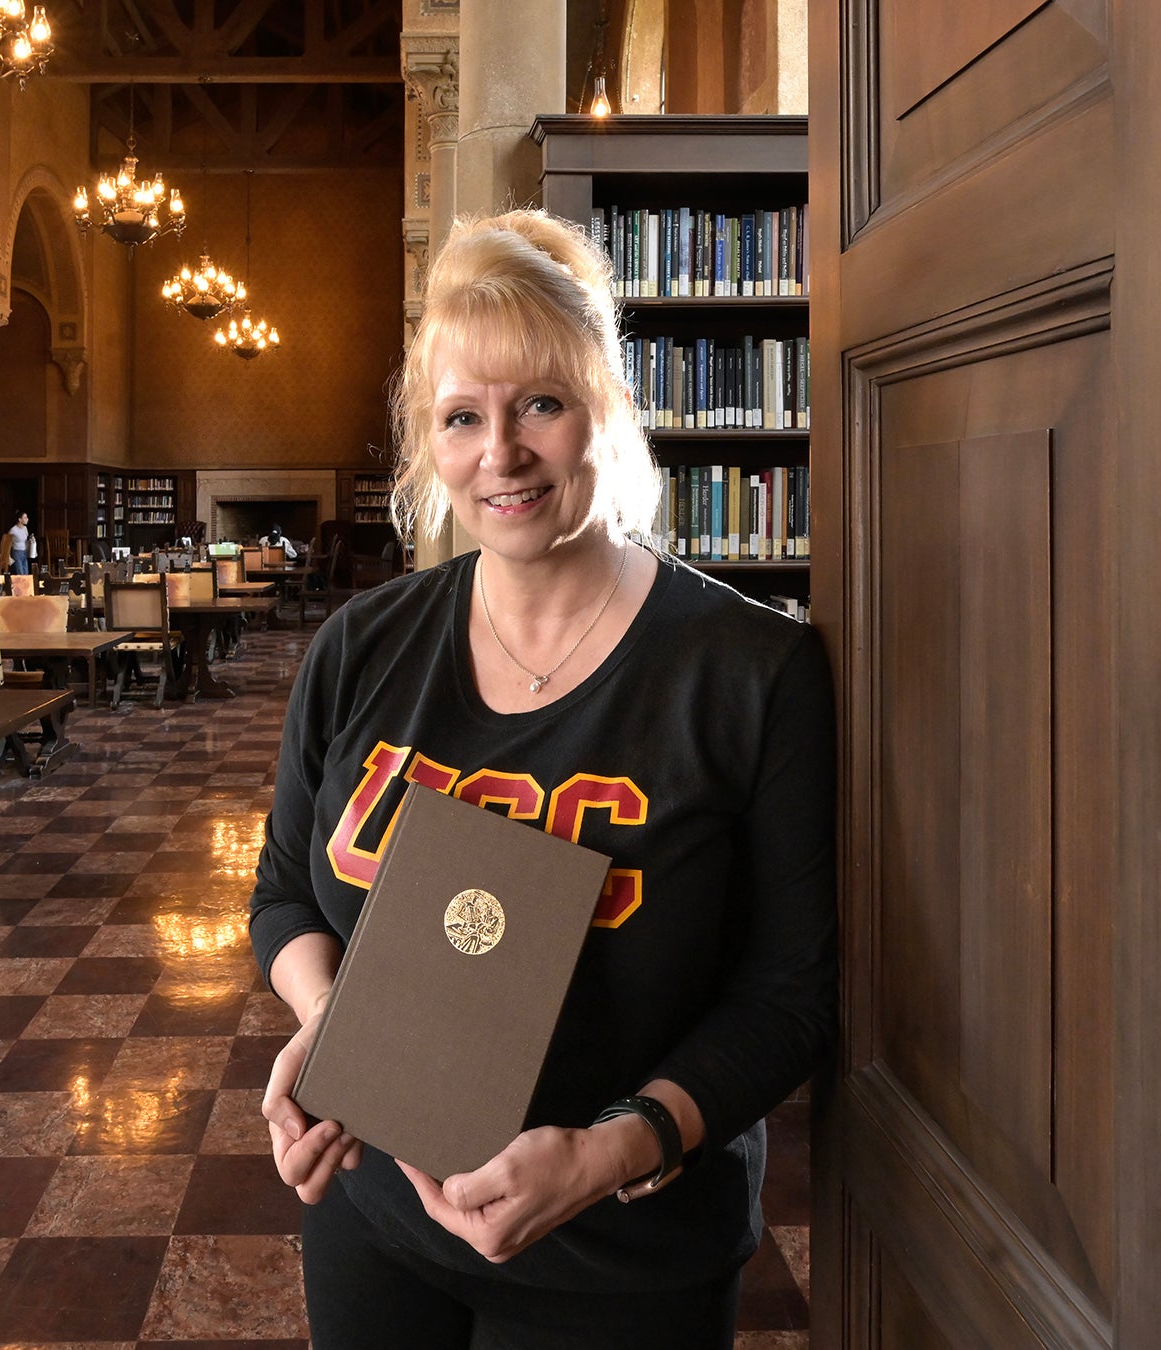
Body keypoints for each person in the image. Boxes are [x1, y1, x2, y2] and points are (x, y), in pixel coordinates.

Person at [249, 209, 836, 1349]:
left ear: (604, 413)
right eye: (463, 416)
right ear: (430, 441)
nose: (500, 453)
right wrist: (334, 1029)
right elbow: (281, 893)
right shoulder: (361, 648)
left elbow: (790, 997)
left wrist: (615, 1148)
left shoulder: (750, 672)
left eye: (542, 407)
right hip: (378, 1221)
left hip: (626, 1254)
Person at [3, 511, 33, 576]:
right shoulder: (13, 530)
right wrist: (8, 556)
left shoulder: (25, 528)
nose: (27, 519)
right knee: (20, 574)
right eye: (25, 517)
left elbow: (26, 540)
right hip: (17, 553)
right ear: (20, 519)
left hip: (24, 553)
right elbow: (7, 542)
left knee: (26, 573)